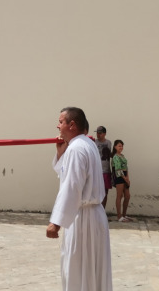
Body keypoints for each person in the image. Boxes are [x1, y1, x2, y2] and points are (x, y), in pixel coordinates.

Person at [46, 107, 112, 291]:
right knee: (92, 270)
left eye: (61, 122)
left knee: (78, 270)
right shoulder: (86, 144)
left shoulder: (76, 148)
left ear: (72, 125)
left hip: (83, 219)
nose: (57, 126)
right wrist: (61, 154)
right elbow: (71, 177)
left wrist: (56, 222)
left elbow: (72, 187)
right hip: (93, 216)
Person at [112, 139, 131, 222]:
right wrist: (125, 178)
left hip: (125, 177)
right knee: (119, 196)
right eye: (119, 146)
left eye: (122, 146)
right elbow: (118, 169)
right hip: (119, 177)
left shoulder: (122, 156)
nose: (121, 147)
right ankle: (119, 216)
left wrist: (128, 178)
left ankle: (124, 214)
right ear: (115, 147)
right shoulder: (115, 157)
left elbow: (126, 168)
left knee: (127, 196)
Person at [95, 126, 113, 210]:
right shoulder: (94, 142)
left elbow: (110, 155)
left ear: (104, 133)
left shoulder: (109, 143)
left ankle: (102, 210)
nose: (98, 134)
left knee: (105, 192)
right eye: (97, 132)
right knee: (96, 192)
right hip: (97, 171)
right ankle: (96, 211)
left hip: (106, 170)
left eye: (100, 133)